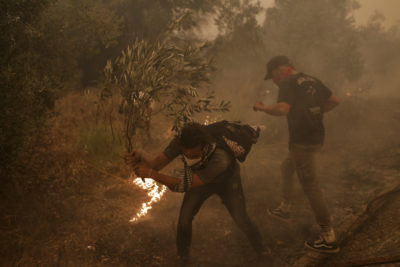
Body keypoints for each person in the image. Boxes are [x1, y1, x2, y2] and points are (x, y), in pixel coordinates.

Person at [125, 122, 267, 264]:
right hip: (198, 177)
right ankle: (183, 258)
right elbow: (156, 165)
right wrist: (140, 158)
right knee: (184, 221)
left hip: (227, 182)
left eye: (193, 155)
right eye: (185, 154)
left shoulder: (221, 158)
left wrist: (151, 174)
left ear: (205, 147)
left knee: (241, 218)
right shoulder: (180, 142)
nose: (188, 157)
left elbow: (185, 184)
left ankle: (263, 252)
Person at [253, 55, 340, 253]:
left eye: (273, 76)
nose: (274, 81)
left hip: (303, 142)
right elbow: (334, 101)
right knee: (287, 166)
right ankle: (286, 207)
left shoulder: (287, 82)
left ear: (278, 71)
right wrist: (314, 112)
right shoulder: (311, 79)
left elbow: (282, 109)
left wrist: (262, 107)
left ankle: (328, 236)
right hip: (316, 137)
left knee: (310, 186)